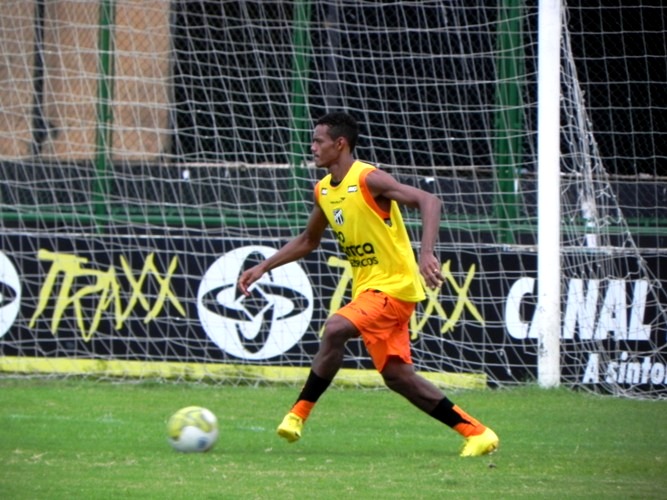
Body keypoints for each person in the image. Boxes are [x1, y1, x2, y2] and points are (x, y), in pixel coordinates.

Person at [238, 112, 498, 457]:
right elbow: (308, 239)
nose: (312, 147)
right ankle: (477, 433)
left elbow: (429, 201)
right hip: (371, 290)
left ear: (340, 144)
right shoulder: (323, 190)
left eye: (318, 141)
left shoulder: (368, 178)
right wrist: (263, 266)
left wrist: (426, 254)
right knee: (398, 376)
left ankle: (297, 414)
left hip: (395, 287)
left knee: (335, 328)